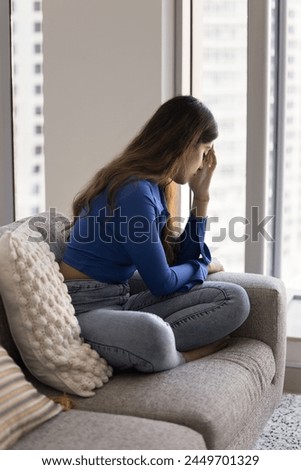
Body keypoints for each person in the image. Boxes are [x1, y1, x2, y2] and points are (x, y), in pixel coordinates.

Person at [60, 95, 250, 373]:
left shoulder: (154, 186)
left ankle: (138, 346)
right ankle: (179, 356)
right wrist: (202, 266)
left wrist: (202, 198)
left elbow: (175, 262)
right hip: (86, 310)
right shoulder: (134, 191)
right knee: (153, 334)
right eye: (205, 151)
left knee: (233, 298)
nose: (203, 164)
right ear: (186, 144)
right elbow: (161, 282)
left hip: (119, 300)